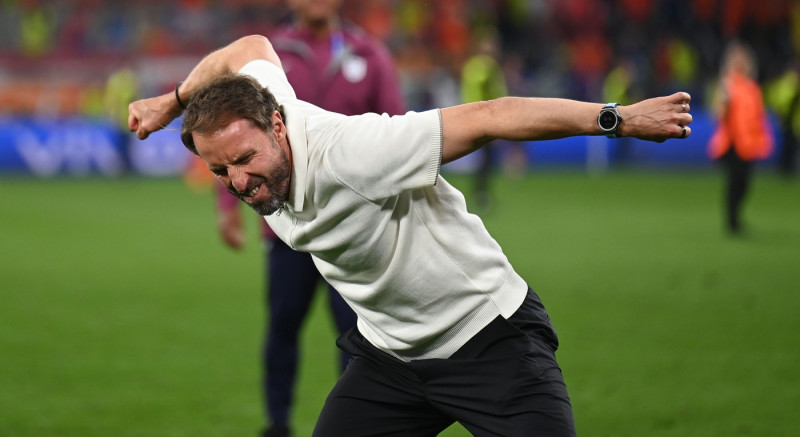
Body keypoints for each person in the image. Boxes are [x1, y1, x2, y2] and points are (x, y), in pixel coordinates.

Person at [129, 35, 693, 437]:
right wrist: (171, 100)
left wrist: (617, 119)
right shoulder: (255, 111)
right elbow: (248, 46)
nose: (239, 182)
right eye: (221, 172)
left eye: (245, 160)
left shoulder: (355, 152)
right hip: (391, 359)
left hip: (485, 339)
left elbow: (491, 114)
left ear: (278, 126)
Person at [215, 0, 405, 437]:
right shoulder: (265, 57)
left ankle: (354, 426)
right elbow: (230, 133)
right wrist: (227, 207)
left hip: (354, 226)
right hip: (287, 224)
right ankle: (277, 424)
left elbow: (398, 132)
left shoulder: (369, 53)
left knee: (359, 336)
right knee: (283, 327)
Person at [708, 41, 774, 234]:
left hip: (748, 143)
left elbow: (758, 116)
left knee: (744, 183)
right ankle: (732, 222)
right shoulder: (727, 84)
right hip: (732, 143)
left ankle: (735, 219)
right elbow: (717, 114)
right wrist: (724, 102)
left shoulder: (752, 87)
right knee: (735, 181)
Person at [460, 29, 509, 209]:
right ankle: (481, 195)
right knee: (486, 160)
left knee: (483, 159)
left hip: (473, 113)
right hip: (486, 116)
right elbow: (492, 92)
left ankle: (479, 194)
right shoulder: (487, 67)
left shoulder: (471, 65)